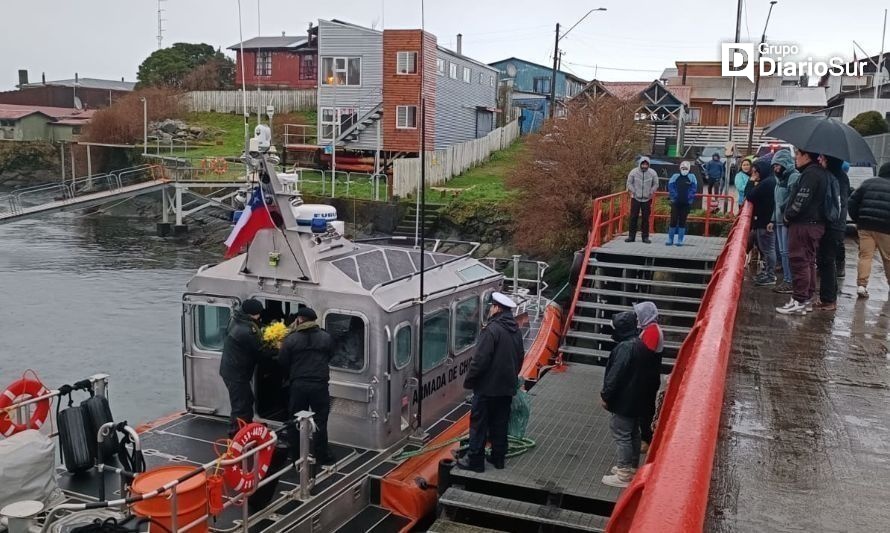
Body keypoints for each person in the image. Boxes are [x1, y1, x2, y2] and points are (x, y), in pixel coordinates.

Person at [459, 292, 525, 472]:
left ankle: (475, 461)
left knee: (479, 425)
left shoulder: (491, 330)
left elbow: (480, 361)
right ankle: (498, 458)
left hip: (487, 389)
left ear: (496, 308)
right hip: (506, 388)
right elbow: (520, 357)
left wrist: (470, 381)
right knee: (500, 423)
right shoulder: (516, 331)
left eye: (491, 306)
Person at [600, 311, 659, 488]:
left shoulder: (625, 347)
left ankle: (624, 472)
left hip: (625, 399)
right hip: (638, 398)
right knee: (633, 433)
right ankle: (631, 468)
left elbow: (615, 375)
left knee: (622, 434)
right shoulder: (640, 344)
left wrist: (606, 395)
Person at [278, 307, 335, 463]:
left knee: (295, 420)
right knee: (320, 421)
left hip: (299, 385)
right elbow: (331, 354)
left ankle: (295, 455)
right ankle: (322, 455)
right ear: (314, 320)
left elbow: (282, 360)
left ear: (299, 319)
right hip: (320, 385)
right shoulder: (326, 337)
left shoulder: (291, 339)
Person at [776, 150, 829, 315]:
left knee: (799, 261)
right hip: (813, 224)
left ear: (806, 156)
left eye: (797, 155)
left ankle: (799, 299)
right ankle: (805, 298)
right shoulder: (818, 173)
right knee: (808, 261)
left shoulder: (811, 174)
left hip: (804, 225)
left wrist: (788, 215)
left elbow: (801, 200)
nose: (795, 159)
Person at [219, 298, 265, 437]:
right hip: (236, 374)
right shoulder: (246, 330)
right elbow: (260, 351)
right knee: (240, 407)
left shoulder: (236, 320)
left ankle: (246, 430)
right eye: (259, 314)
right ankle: (236, 436)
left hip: (232, 370)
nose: (260, 317)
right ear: (253, 314)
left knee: (247, 401)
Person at [848, 162, 890, 299]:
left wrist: (857, 219)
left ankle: (861, 285)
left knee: (865, 256)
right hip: (886, 228)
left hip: (865, 226)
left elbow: (852, 201)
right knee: (888, 258)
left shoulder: (867, 183)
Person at [814, 156, 850, 311]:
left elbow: (835, 203)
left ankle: (829, 299)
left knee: (827, 261)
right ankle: (827, 297)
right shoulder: (841, 177)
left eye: (823, 158)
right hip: (837, 225)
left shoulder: (835, 178)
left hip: (833, 225)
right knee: (826, 261)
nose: (820, 160)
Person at [632, 302, 663, 454]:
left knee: (645, 410)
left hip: (647, 378)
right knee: (645, 408)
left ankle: (646, 439)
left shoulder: (652, 332)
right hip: (648, 376)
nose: (637, 319)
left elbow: (644, 355)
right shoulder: (650, 329)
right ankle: (645, 437)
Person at [769, 149, 800, 294]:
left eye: (778, 165)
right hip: (779, 220)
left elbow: (793, 197)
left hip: (787, 220)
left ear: (785, 164)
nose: (775, 168)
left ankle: (790, 281)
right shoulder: (779, 179)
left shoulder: (793, 177)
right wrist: (772, 219)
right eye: (774, 166)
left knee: (787, 252)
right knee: (783, 251)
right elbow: (776, 202)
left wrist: (784, 209)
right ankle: (787, 279)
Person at [746, 158, 777, 286]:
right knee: (768, 249)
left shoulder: (766, 183)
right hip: (766, 220)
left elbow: (750, 195)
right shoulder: (772, 181)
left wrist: (751, 181)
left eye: (756, 172)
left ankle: (770, 275)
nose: (755, 175)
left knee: (768, 249)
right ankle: (768, 273)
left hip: (765, 221)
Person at [625, 156, 660, 243]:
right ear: (640, 164)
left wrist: (651, 192)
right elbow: (629, 183)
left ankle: (645, 237)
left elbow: (656, 184)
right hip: (635, 198)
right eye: (643, 164)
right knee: (633, 217)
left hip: (647, 199)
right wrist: (634, 191)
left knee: (645, 218)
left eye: (646, 164)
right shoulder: (633, 172)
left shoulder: (652, 173)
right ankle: (631, 236)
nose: (644, 166)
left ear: (648, 165)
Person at [666, 161, 698, 246]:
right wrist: (674, 195)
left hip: (686, 203)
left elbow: (694, 188)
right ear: (680, 168)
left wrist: (689, 196)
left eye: (686, 169)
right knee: (673, 220)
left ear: (689, 169)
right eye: (683, 168)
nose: (684, 170)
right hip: (676, 202)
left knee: (682, 221)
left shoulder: (692, 177)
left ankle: (680, 240)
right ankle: (670, 239)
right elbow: (670, 186)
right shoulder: (675, 176)